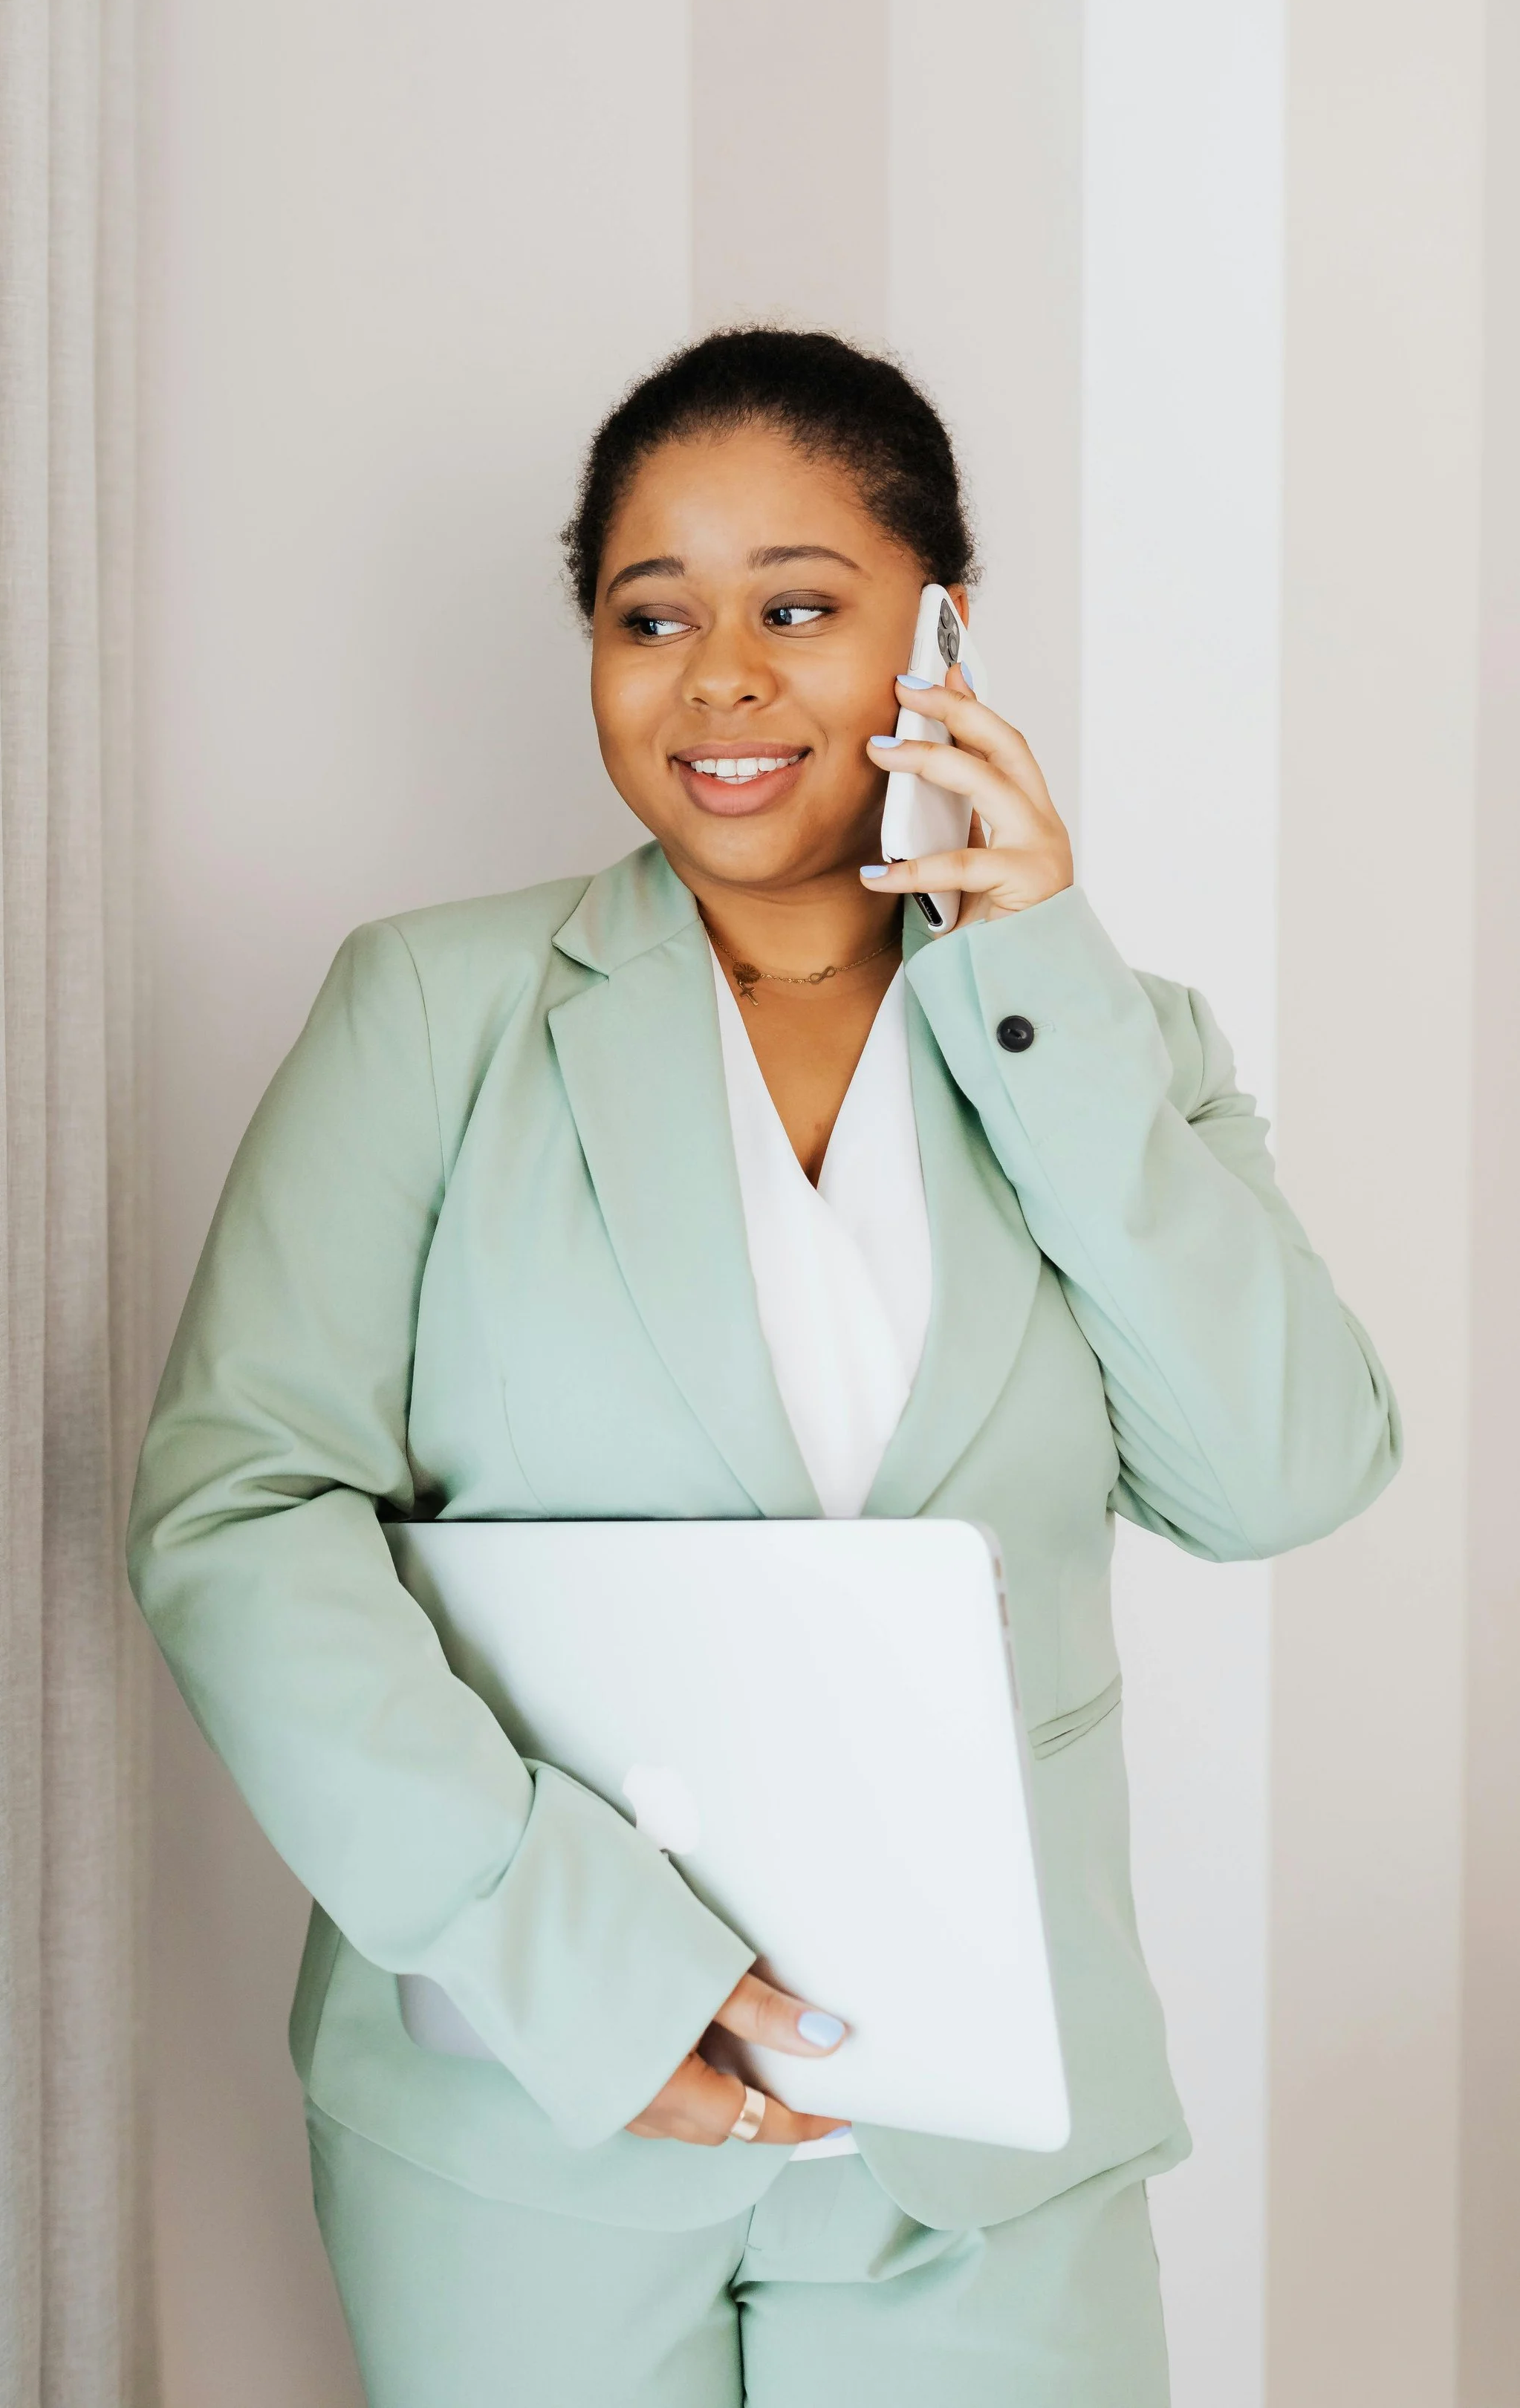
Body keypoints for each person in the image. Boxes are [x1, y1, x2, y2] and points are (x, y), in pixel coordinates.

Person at [129, 329, 1398, 2407]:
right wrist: (580, 1960)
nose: (718, 676)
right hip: (528, 2118)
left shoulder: (1106, 1042)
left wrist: (1035, 985)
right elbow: (236, 1512)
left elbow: (1275, 1470)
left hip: (985, 2150)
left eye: (798, 605)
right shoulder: (433, 1017)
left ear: (941, 626)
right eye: (652, 616)